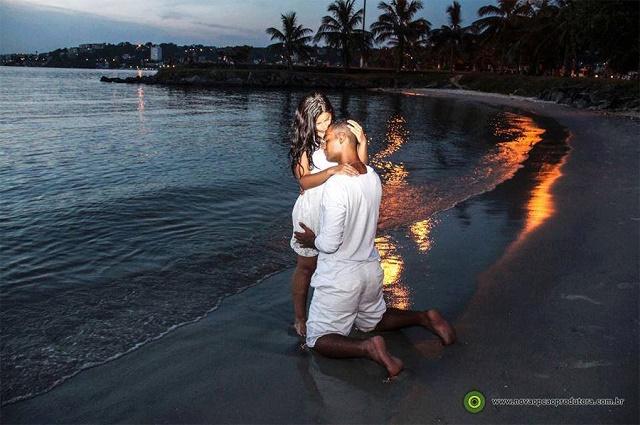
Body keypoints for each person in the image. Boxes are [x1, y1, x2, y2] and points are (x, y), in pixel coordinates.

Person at [295, 119, 456, 377]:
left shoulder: (336, 185)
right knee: (373, 320)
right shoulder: (372, 176)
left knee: (317, 339)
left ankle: (368, 348)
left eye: (327, 141)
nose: (323, 148)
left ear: (342, 140)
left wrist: (311, 239)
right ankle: (424, 317)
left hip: (341, 275)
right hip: (369, 268)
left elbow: (329, 243)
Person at [288, 92, 368, 337]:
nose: (323, 128)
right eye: (318, 123)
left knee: (339, 264)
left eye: (327, 119)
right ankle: (300, 318)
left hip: (337, 208)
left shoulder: (340, 136)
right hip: (311, 209)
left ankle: (341, 313)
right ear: (307, 121)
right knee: (307, 265)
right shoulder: (303, 142)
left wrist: (363, 143)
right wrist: (333, 171)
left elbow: (361, 170)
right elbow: (304, 180)